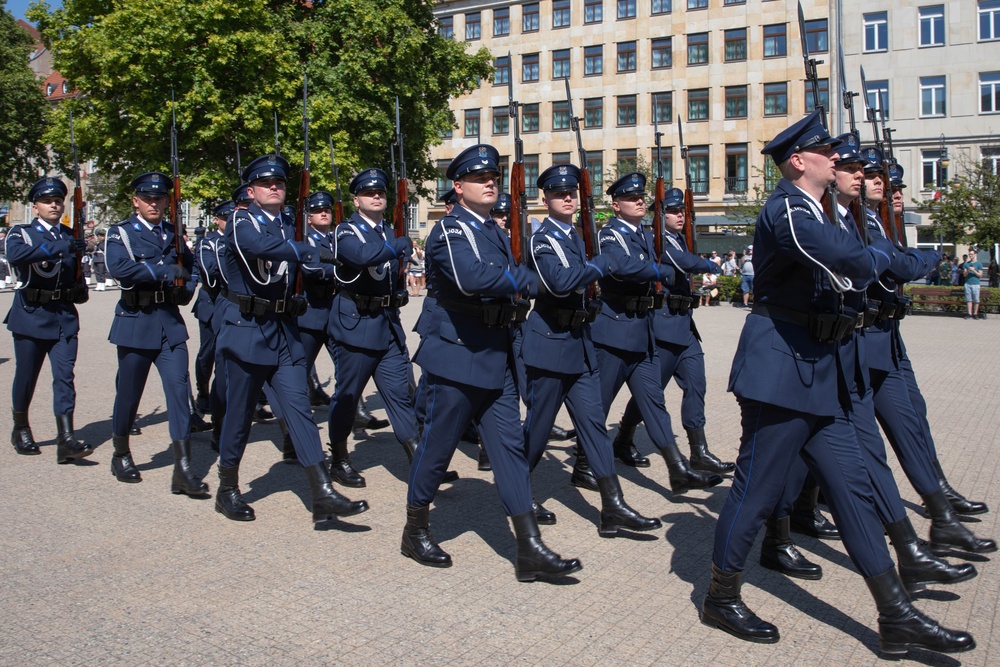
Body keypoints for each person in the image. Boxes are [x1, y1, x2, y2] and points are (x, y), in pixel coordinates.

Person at [700, 111, 973, 657]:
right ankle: (720, 594)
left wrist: (879, 256)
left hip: (820, 369)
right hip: (780, 370)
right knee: (756, 490)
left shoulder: (823, 211)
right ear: (800, 161)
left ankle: (895, 614)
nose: (838, 160)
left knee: (852, 489)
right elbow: (843, 256)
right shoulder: (787, 209)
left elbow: (857, 256)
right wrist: (882, 258)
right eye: (828, 152)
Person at [404, 144, 580, 581]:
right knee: (438, 446)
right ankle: (416, 527)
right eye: (480, 178)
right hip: (459, 356)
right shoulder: (450, 230)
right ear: (458, 187)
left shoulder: (496, 230)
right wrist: (524, 279)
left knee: (509, 451)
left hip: (496, 354)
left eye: (494, 178)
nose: (490, 183)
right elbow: (471, 279)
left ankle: (529, 548)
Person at [213, 154, 367, 523]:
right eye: (266, 183)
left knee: (299, 408)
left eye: (280, 183)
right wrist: (306, 249)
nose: (274, 187)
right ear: (251, 190)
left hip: (284, 330)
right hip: (247, 329)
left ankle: (322, 491)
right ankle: (227, 487)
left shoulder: (287, 224)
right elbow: (258, 248)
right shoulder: (240, 220)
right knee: (239, 415)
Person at [520, 162, 660, 534]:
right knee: (538, 429)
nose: (567, 198)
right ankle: (520, 492)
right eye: (558, 193)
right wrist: (600, 265)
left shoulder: (577, 237)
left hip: (580, 344)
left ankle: (612, 505)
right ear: (545, 198)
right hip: (549, 344)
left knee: (594, 425)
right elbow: (562, 281)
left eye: (571, 193)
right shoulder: (541, 238)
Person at [587, 172, 721, 495]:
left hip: (641, 330)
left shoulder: (646, 236)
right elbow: (620, 266)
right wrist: (658, 269)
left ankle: (678, 469)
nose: (639, 201)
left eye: (641, 197)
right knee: (598, 405)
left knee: (654, 403)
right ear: (616, 205)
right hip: (613, 331)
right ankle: (582, 462)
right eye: (631, 198)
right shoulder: (610, 234)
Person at [611, 188, 733, 475]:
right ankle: (624, 437)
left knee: (697, 384)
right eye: (674, 211)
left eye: (683, 212)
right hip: (664, 326)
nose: (680, 216)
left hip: (685, 325)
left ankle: (699, 451)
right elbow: (686, 263)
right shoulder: (658, 241)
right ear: (660, 215)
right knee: (650, 394)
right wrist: (710, 264)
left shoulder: (680, 239)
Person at [326, 168, 431, 488]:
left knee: (400, 395)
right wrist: (396, 244)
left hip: (386, 326)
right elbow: (359, 257)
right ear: (356, 199)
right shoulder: (346, 231)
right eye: (369, 193)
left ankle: (419, 461)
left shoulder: (388, 230)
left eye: (381, 193)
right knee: (347, 396)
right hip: (356, 325)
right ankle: (340, 457)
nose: (376, 196)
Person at [104, 172, 206, 496]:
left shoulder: (173, 233)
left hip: (169, 324)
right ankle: (120, 453)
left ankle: (184, 469)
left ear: (167, 201)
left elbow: (190, 267)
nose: (154, 203)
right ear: (135, 200)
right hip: (136, 321)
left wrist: (186, 287)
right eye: (147, 198)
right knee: (129, 395)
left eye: (159, 198)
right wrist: (164, 271)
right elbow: (119, 268)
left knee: (179, 392)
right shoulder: (120, 232)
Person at [5, 176, 93, 463]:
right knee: (27, 376)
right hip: (31, 314)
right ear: (35, 206)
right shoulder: (22, 233)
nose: (54, 204)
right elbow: (17, 256)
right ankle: (21, 427)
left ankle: (66, 438)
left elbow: (74, 273)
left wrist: (79, 286)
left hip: (63, 316)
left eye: (58, 200)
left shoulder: (70, 234)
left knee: (64, 377)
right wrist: (61, 248)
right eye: (47, 201)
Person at [962, 249, 983, 319]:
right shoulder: (966, 264)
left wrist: (974, 270)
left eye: (972, 254)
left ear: (975, 254)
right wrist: (968, 270)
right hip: (968, 284)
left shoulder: (979, 264)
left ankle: (975, 314)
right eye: (969, 254)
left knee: (976, 300)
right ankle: (969, 314)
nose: (970, 255)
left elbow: (980, 275)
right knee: (969, 299)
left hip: (975, 284)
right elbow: (964, 275)